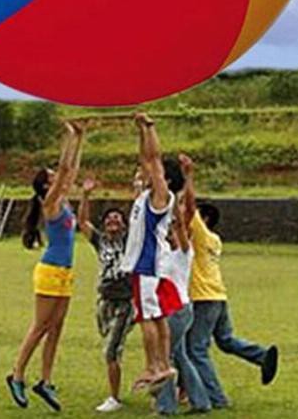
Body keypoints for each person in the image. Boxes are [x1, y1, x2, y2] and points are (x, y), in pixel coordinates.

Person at [184, 153, 279, 410]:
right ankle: (262, 355)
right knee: (225, 340)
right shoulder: (215, 240)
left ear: (203, 220)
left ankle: (217, 398)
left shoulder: (201, 236)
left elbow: (189, 206)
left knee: (196, 350)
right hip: (219, 295)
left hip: (203, 297)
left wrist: (188, 176)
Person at [6, 121, 86, 412]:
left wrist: (80, 138)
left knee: (57, 328)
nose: (59, 179)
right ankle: (16, 375)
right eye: (52, 177)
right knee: (40, 327)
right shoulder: (49, 204)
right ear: (45, 186)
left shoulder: (61, 200)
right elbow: (66, 171)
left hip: (65, 273)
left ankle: (46, 381)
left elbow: (71, 172)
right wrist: (68, 137)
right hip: (50, 271)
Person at [121, 112, 185, 394]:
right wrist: (140, 132)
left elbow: (154, 160)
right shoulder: (147, 196)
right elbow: (146, 160)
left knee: (146, 316)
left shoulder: (161, 197)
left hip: (146, 265)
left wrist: (149, 127)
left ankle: (154, 365)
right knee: (157, 316)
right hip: (151, 265)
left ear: (166, 181)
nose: (144, 173)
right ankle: (163, 363)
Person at [155, 160, 211, 415]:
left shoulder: (184, 254)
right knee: (180, 356)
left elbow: (183, 214)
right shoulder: (165, 252)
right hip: (173, 309)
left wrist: (184, 182)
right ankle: (201, 401)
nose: (172, 234)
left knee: (164, 357)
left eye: (175, 232)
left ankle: (166, 406)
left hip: (177, 311)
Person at [78, 176, 134, 413]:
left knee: (110, 349)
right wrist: (86, 195)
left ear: (123, 225)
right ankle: (117, 379)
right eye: (109, 218)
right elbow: (82, 221)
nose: (113, 220)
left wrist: (138, 190)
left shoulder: (130, 241)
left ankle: (114, 398)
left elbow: (137, 218)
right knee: (109, 341)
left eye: (117, 218)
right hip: (104, 299)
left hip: (125, 301)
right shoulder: (100, 241)